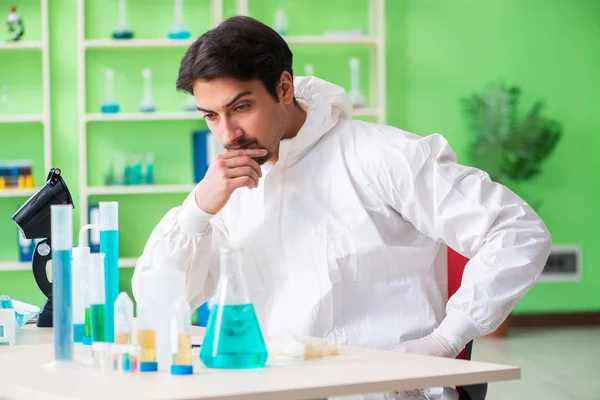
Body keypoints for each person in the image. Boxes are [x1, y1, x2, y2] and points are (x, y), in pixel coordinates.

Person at [132, 16, 552, 400]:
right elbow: (157, 302)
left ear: (283, 87)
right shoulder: (230, 184)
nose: (227, 134)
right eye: (210, 116)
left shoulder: (381, 155)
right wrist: (198, 210)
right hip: (274, 387)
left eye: (241, 108)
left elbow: (517, 230)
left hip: (385, 390)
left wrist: (445, 340)